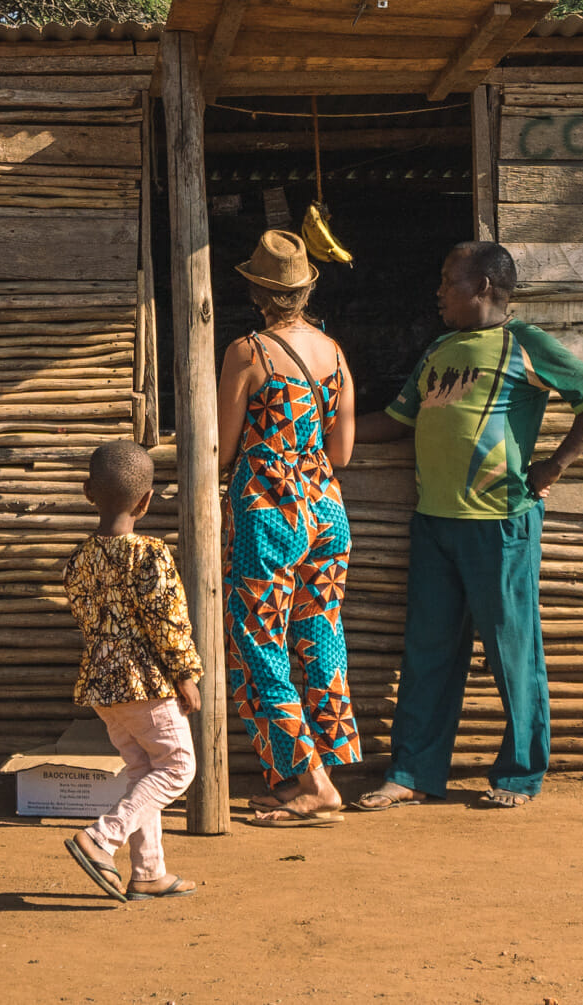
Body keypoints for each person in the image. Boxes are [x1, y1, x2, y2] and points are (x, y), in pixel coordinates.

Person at [351, 241, 583, 810]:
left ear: (486, 287)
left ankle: (519, 773)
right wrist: (322, 431)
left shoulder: (526, 345)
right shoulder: (440, 351)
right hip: (435, 524)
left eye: (450, 280)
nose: (440, 291)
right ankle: (413, 773)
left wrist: (555, 464)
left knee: (512, 649)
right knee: (428, 651)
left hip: (499, 524)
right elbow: (394, 421)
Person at [218, 228, 359, 828]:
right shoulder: (334, 351)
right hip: (325, 510)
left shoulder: (249, 353)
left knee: (259, 642)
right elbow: (343, 451)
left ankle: (312, 783)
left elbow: (223, 449)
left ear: (256, 291)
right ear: (305, 291)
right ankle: (320, 767)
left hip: (268, 512)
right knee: (320, 637)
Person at [62, 440, 203, 901]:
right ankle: (102, 838)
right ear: (146, 501)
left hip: (103, 687)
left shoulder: (79, 559)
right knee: (179, 766)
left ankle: (148, 872)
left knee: (144, 768)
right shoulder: (150, 555)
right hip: (146, 685)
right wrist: (184, 673)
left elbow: (84, 614)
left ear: (88, 493)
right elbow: (169, 618)